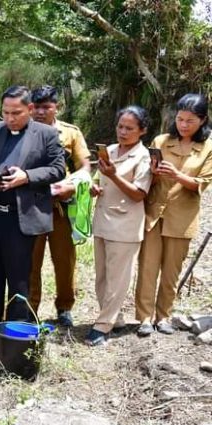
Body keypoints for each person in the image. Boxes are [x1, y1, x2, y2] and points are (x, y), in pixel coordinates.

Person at [0, 86, 66, 337]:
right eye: (6, 112)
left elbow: (58, 169)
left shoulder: (46, 134)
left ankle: (14, 328)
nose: (10, 118)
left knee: (19, 277)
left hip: (22, 217)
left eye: (16, 113)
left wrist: (27, 177)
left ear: (30, 109)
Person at [135, 93, 212, 336]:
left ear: (202, 120)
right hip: (154, 213)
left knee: (171, 271)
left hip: (182, 216)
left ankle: (164, 316)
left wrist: (177, 175)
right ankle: (145, 318)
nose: (183, 125)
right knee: (147, 267)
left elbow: (202, 183)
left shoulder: (208, 147)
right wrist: (156, 171)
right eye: (180, 119)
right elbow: (148, 176)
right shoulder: (161, 141)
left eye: (190, 121)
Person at [87, 106, 153, 346]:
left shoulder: (143, 156)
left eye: (129, 128)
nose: (123, 132)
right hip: (103, 220)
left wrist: (114, 176)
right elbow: (99, 179)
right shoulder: (110, 150)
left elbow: (139, 194)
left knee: (118, 279)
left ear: (142, 131)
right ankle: (116, 320)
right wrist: (95, 187)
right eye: (120, 126)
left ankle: (102, 326)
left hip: (125, 224)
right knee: (102, 277)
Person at [27, 86, 92, 327]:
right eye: (37, 107)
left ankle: (65, 307)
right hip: (31, 207)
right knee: (30, 261)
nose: (41, 112)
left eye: (47, 107)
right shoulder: (23, 130)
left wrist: (70, 185)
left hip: (60, 208)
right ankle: (29, 309)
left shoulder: (71, 133)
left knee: (64, 261)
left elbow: (85, 167)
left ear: (57, 107)